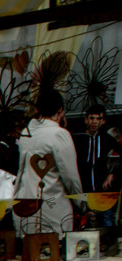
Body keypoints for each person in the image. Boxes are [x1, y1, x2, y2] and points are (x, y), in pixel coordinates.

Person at [15, 89, 83, 237]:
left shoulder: (26, 133)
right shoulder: (59, 134)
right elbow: (70, 176)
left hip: (24, 205)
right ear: (60, 110)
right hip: (53, 208)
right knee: (53, 248)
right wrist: (81, 203)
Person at [72, 104, 122, 228]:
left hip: (103, 193)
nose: (94, 122)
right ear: (86, 120)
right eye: (91, 118)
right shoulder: (77, 139)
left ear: (103, 121)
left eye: (98, 118)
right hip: (83, 192)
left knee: (107, 225)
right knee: (84, 227)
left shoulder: (107, 139)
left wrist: (113, 173)